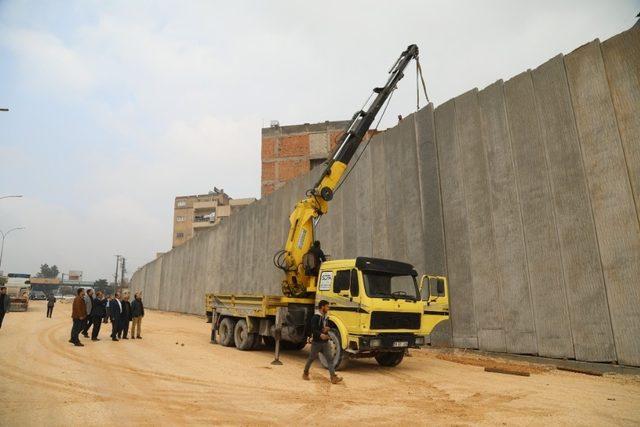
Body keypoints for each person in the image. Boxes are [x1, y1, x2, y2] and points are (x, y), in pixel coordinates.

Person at [302, 300, 343, 384]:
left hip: (325, 342)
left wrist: (328, 329)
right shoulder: (315, 317)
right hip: (317, 343)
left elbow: (325, 327)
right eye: (327, 306)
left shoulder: (325, 317)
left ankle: (333, 377)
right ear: (322, 307)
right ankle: (305, 373)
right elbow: (313, 329)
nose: (328, 308)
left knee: (330, 359)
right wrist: (321, 334)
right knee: (311, 358)